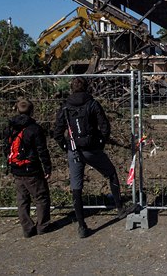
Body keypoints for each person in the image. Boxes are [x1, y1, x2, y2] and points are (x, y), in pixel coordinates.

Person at [53, 77, 129, 238]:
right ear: (87, 88)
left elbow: (57, 132)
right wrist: (100, 143)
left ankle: (81, 225)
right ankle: (119, 208)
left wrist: (66, 146)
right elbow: (104, 126)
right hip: (92, 148)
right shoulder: (93, 104)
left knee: (76, 187)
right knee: (111, 173)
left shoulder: (65, 107)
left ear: (71, 89)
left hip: (74, 150)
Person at [4, 99, 52, 238]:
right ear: (31, 111)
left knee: (22, 199)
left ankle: (27, 228)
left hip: (16, 169)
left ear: (17, 110)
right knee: (41, 197)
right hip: (32, 168)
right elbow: (42, 150)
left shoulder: (10, 127)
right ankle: (43, 226)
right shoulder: (34, 129)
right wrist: (47, 168)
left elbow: (5, 148)